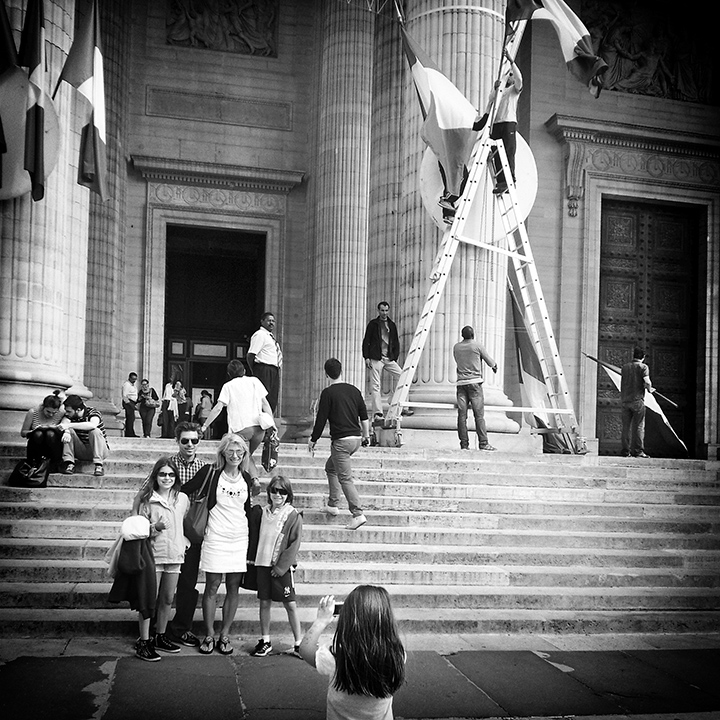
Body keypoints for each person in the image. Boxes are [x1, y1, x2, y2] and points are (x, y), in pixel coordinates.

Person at [131, 421, 205, 647]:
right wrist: (138, 524)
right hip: (160, 532)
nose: (190, 444)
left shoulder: (204, 467)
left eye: (194, 440)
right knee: (155, 589)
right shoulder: (167, 466)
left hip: (187, 532)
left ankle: (179, 629)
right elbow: (142, 494)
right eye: (185, 440)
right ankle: (151, 632)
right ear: (177, 441)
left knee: (186, 585)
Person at [180, 433, 254, 656]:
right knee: (211, 586)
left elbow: (247, 510)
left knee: (233, 587)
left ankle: (225, 635)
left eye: (239, 451)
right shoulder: (211, 473)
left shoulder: (247, 478)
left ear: (244, 454)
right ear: (223, 452)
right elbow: (184, 489)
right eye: (230, 451)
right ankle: (210, 634)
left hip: (239, 537)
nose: (235, 455)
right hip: (215, 536)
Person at [298, 586, 406, 720]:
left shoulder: (335, 657)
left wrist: (321, 621)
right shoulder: (397, 655)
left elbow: (304, 649)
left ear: (347, 620)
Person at [134, 457, 189, 660]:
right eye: (163, 474)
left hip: (174, 555)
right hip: (153, 555)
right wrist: (154, 528)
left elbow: (183, 522)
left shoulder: (182, 498)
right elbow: (138, 529)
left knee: (167, 599)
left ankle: (160, 635)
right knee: (149, 600)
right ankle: (144, 641)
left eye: (171, 474)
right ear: (156, 476)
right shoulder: (147, 499)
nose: (167, 478)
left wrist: (183, 540)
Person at [309, 358, 371, 531]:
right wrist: (366, 436)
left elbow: (321, 420)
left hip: (341, 443)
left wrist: (313, 439)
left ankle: (358, 514)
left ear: (326, 374)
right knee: (331, 468)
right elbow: (364, 417)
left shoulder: (328, 393)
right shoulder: (354, 391)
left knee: (345, 478)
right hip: (356, 440)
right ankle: (332, 504)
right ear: (341, 371)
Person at [247, 475, 303, 658]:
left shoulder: (292, 514)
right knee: (264, 603)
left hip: (281, 568)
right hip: (262, 564)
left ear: (288, 494)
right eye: (274, 490)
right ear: (269, 492)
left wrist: (281, 567)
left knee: (290, 604)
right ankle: (265, 640)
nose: (278, 494)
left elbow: (293, 544)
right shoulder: (262, 512)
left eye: (282, 491)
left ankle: (298, 643)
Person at [200, 359, 274, 485]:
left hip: (241, 428)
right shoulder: (254, 381)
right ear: (244, 371)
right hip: (259, 429)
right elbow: (265, 404)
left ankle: (252, 480)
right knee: (245, 455)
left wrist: (205, 425)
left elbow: (218, 408)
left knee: (243, 455)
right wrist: (272, 424)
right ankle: (250, 481)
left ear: (229, 374)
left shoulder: (228, 386)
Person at [477, 50, 523, 194]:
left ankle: (510, 180)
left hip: (508, 122)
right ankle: (501, 182)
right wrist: (495, 88)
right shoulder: (499, 93)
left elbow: (520, 79)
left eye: (511, 75)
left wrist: (511, 61)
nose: (510, 77)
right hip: (496, 123)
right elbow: (490, 102)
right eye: (507, 75)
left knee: (509, 151)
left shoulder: (514, 92)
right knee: (496, 153)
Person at [453, 326, 498, 451]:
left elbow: (457, 360)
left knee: (462, 416)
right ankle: (483, 443)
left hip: (461, 384)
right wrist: (494, 366)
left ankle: (464, 445)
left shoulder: (456, 347)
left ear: (462, 335)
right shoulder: (477, 346)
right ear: (473, 335)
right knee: (479, 415)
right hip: (475, 384)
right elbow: (490, 361)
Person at [362, 301, 406, 421]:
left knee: (403, 377)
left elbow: (396, 341)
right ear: (378, 310)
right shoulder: (373, 324)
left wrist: (394, 357)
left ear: (389, 310)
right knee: (375, 386)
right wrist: (366, 357)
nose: (384, 313)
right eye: (382, 310)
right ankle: (378, 413)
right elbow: (366, 341)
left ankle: (395, 400)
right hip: (376, 358)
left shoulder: (392, 325)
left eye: (386, 310)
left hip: (389, 358)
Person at [59, 395, 110, 476]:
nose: (66, 413)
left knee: (95, 431)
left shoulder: (93, 412)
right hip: (81, 450)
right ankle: (69, 463)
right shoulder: (69, 415)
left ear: (78, 410)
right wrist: (67, 431)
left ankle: (99, 466)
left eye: (69, 411)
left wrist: (69, 426)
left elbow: (92, 425)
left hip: (98, 450)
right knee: (68, 431)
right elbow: (63, 424)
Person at [620, 346, 654, 458]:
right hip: (637, 401)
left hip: (625, 401)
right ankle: (638, 451)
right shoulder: (643, 367)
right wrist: (650, 389)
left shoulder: (625, 367)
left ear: (633, 356)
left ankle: (625, 451)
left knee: (625, 427)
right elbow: (647, 382)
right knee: (639, 426)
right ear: (643, 357)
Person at [20, 390, 65, 469]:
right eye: (48, 412)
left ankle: (54, 463)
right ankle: (34, 463)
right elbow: (23, 433)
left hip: (52, 444)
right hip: (37, 443)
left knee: (50, 433)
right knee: (38, 434)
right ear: (43, 407)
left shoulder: (61, 413)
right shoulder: (33, 412)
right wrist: (33, 431)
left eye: (54, 413)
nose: (51, 415)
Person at [247, 312, 283, 413]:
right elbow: (250, 355)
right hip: (264, 369)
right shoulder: (260, 335)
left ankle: (268, 423)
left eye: (273, 321)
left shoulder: (270, 337)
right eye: (269, 320)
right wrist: (255, 371)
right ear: (262, 321)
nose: (271, 323)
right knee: (263, 399)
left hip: (274, 370)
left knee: (272, 399)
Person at [121, 372, 139, 437]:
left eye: (135, 379)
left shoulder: (132, 385)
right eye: (133, 379)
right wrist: (130, 404)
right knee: (130, 418)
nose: (134, 381)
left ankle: (131, 432)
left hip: (132, 402)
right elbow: (124, 396)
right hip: (128, 403)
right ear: (129, 378)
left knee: (132, 418)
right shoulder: (127, 385)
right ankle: (129, 433)